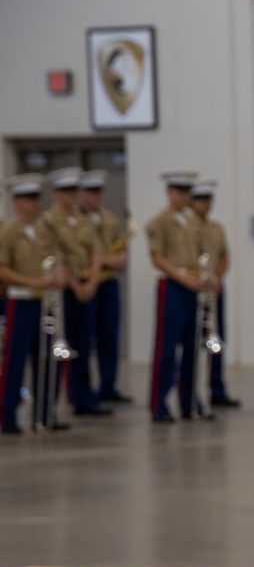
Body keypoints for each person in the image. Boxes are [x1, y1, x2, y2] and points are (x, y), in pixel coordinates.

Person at [0, 173, 68, 433]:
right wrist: (33, 281)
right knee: (15, 360)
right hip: (21, 300)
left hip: (45, 302)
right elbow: (3, 270)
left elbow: (57, 257)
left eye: (36, 197)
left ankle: (45, 413)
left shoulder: (43, 229)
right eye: (28, 198)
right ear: (16, 200)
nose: (33, 203)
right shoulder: (8, 231)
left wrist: (60, 275)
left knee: (47, 360)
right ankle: (8, 414)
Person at [41, 167, 109, 417]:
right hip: (64, 290)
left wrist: (91, 283)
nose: (71, 196)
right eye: (66, 191)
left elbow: (96, 253)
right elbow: (54, 257)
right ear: (56, 193)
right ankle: (52, 402)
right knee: (59, 347)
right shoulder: (48, 222)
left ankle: (84, 399)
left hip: (87, 286)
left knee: (84, 344)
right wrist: (75, 285)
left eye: (74, 191)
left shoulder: (84, 221)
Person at [146, 170, 206, 422]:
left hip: (194, 286)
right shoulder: (158, 223)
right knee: (167, 348)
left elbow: (203, 252)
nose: (184, 196)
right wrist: (184, 279)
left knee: (192, 347)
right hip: (173, 286)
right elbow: (158, 257)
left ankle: (189, 401)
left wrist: (206, 275)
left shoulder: (193, 221)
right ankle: (159, 403)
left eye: (187, 192)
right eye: (180, 191)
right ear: (169, 192)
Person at [78, 169, 132, 403]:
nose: (96, 196)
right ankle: (81, 390)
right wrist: (105, 260)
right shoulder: (76, 222)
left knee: (109, 336)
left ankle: (108, 385)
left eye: (99, 191)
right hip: (87, 282)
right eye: (91, 191)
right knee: (82, 339)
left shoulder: (109, 219)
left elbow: (119, 248)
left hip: (109, 283)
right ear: (81, 193)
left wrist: (120, 258)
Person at [189, 178, 240, 408]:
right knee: (193, 341)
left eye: (209, 199)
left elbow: (224, 255)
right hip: (195, 288)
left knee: (217, 339)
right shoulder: (188, 226)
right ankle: (190, 390)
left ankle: (217, 389)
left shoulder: (216, 228)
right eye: (201, 199)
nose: (206, 204)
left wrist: (218, 277)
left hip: (215, 288)